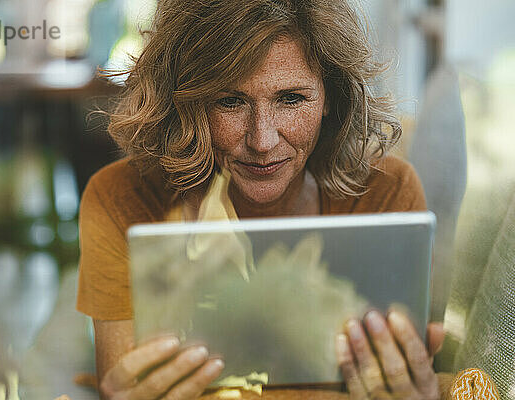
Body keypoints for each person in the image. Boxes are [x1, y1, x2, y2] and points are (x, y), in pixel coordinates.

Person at [76, 0, 445, 398]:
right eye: (230, 101)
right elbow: (122, 382)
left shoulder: (386, 195)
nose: (262, 141)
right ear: (188, 101)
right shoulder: (121, 200)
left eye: (291, 99)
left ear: (329, 98)